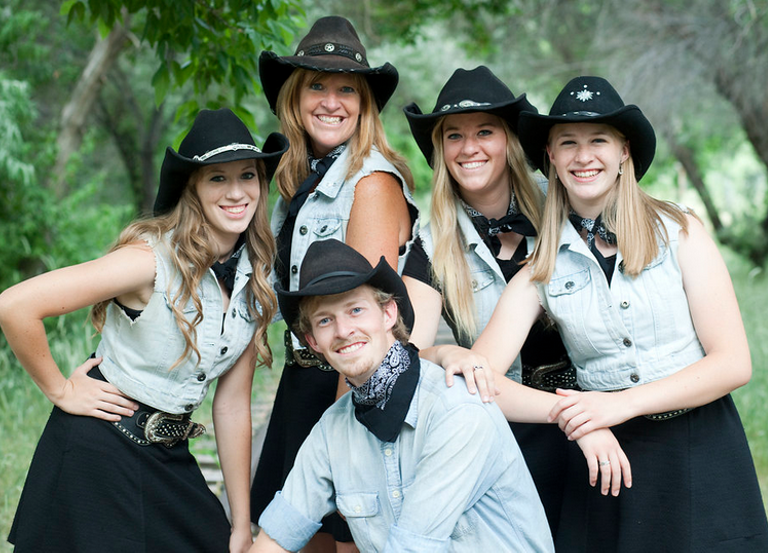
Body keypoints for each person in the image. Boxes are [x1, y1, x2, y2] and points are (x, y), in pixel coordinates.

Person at [445, 75, 768, 551]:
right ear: (551, 159)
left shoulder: (679, 230)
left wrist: (621, 404)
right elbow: (483, 380)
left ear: (623, 151)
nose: (583, 156)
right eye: (568, 143)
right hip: (608, 463)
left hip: (700, 448)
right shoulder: (541, 268)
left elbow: (733, 362)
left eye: (598, 139)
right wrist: (570, 413)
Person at [0, 108, 289, 552]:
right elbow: (15, 305)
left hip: (168, 455)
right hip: (98, 449)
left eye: (247, 176)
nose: (236, 192)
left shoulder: (255, 279)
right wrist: (61, 390)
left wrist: (240, 524)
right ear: (192, 189)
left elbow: (230, 407)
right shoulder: (150, 260)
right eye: (216, 178)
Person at [249, 239, 554, 552]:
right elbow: (275, 538)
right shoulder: (332, 430)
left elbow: (414, 547)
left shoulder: (456, 410)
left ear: (388, 314)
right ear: (313, 342)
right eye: (325, 320)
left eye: (355, 310)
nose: (343, 331)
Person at [249, 15, 419, 551]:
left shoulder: (368, 182)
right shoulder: (299, 181)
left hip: (350, 388)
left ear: (365, 105)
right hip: (306, 383)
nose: (331, 100)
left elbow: (360, 327)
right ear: (295, 100)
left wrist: (348, 438)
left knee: (339, 536)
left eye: (348, 88)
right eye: (316, 86)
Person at [401, 65, 592, 537]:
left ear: (509, 140)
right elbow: (404, 354)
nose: (469, 148)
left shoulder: (567, 203)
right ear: (439, 150)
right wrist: (445, 352)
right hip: (502, 426)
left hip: (594, 412)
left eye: (485, 131)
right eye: (454, 136)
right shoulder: (431, 245)